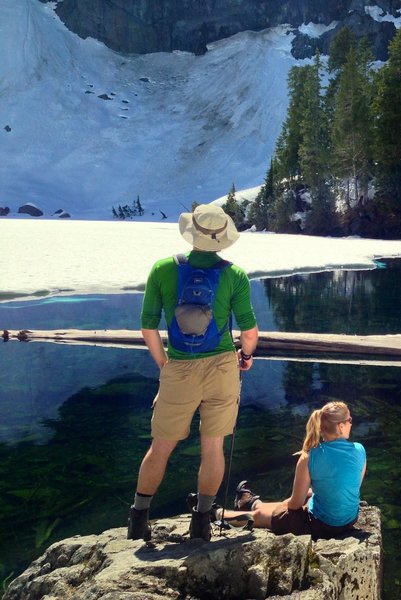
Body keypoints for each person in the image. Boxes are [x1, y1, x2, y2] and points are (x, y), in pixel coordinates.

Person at [127, 203, 259, 542]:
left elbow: (147, 327)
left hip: (179, 367)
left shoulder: (162, 269)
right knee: (212, 447)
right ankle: (201, 521)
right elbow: (249, 332)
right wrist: (245, 356)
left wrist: (165, 366)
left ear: (193, 234)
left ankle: (139, 519)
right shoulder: (234, 275)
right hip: (221, 368)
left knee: (161, 447)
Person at [220, 401, 366, 540]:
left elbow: (294, 505)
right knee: (308, 496)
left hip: (321, 526)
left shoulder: (309, 457)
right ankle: (250, 504)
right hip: (349, 520)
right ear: (341, 426)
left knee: (261, 516)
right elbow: (351, 487)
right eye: (350, 420)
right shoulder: (359, 450)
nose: (351, 423)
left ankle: (218, 515)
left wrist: (286, 503)